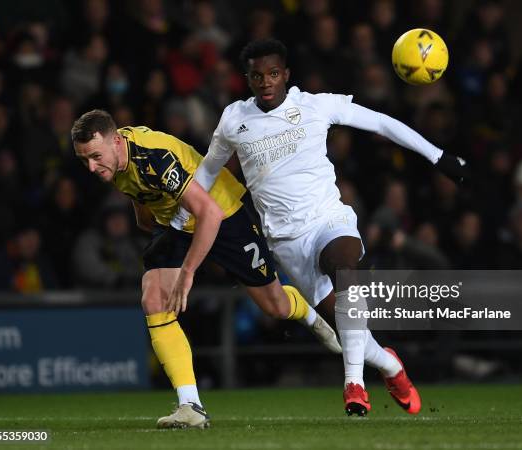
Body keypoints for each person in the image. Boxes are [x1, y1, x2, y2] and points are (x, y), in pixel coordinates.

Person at [173, 39, 469, 416]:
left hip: (330, 220)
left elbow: (379, 122)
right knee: (351, 331)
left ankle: (354, 385)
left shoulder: (315, 105)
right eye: (257, 75)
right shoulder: (234, 120)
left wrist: (437, 155)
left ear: (286, 75)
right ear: (247, 80)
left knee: (345, 269)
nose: (266, 82)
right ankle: (391, 365)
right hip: (285, 241)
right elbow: (209, 171)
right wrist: (182, 218)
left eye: (274, 73)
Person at [71, 110, 340, 429]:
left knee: (275, 306)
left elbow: (208, 213)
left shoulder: (155, 157)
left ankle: (306, 310)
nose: (91, 166)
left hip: (222, 213)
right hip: (176, 220)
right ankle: (190, 406)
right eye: (84, 159)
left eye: (95, 156)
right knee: (154, 299)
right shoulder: (113, 158)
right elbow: (141, 193)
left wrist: (187, 273)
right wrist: (150, 223)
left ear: (116, 141)